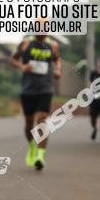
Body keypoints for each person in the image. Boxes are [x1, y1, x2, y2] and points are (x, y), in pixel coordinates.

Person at [10, 33, 61, 171]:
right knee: (29, 124)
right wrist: (22, 67)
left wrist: (57, 69)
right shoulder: (26, 43)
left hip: (46, 89)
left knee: (42, 121)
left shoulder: (53, 45)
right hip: (28, 89)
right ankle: (32, 146)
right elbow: (13, 60)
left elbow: (57, 60)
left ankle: (40, 155)